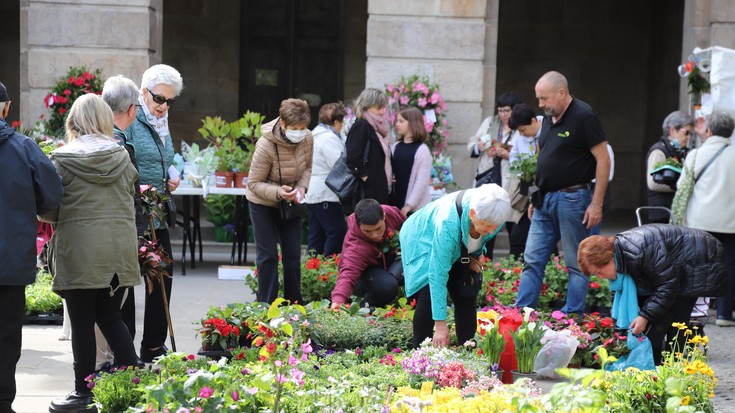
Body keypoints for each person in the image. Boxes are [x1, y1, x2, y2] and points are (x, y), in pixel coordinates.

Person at [42, 94, 141, 412]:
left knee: (82, 322)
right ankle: (133, 388)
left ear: (73, 122)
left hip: (80, 252)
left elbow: (50, 211)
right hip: (117, 251)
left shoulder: (61, 160)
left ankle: (82, 393)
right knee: (111, 318)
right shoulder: (122, 156)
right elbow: (131, 198)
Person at [515, 71, 611, 316]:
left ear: (561, 92)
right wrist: (536, 194)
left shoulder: (584, 115)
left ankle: (571, 317)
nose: (541, 105)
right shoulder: (549, 117)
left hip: (574, 198)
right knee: (532, 259)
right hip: (544, 199)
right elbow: (543, 156)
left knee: (576, 263)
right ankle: (521, 313)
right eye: (539, 99)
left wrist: (596, 203)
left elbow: (603, 159)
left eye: (544, 98)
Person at [578, 224, 726, 364]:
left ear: (608, 259)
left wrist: (645, 316)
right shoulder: (621, 259)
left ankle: (674, 371)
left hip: (697, 258)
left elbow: (667, 286)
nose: (601, 278)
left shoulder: (637, 253)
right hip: (675, 265)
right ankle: (653, 369)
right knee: (658, 320)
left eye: (598, 272)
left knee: (678, 320)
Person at [0, 81, 62, 413]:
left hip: (10, 259)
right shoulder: (25, 148)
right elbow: (52, 198)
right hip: (10, 260)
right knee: (7, 336)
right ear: (7, 108)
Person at [401, 184, 512, 347]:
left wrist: (475, 255)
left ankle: (469, 349)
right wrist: (440, 326)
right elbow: (437, 276)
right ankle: (421, 354)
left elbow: (480, 238)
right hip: (421, 236)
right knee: (428, 292)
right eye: (487, 226)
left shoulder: (494, 214)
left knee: (465, 288)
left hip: (455, 238)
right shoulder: (448, 223)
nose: (491, 231)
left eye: (495, 227)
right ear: (473, 214)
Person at [125, 64, 183, 362]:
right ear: (144, 92)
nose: (164, 106)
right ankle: (123, 349)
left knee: (162, 276)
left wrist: (171, 171)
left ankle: (152, 345)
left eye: (170, 101)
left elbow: (166, 154)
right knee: (128, 280)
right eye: (159, 99)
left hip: (156, 211)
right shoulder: (131, 117)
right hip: (134, 211)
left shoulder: (162, 120)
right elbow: (126, 154)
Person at [98, 75, 146, 370]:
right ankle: (114, 364)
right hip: (114, 237)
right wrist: (137, 236)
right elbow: (125, 196)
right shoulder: (117, 144)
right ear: (131, 109)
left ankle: (112, 363)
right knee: (111, 308)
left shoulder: (99, 138)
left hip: (95, 237)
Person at [246, 98, 313, 304]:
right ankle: (266, 305)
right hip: (263, 202)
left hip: (291, 200)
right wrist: (278, 192)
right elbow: (253, 183)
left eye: (303, 127)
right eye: (295, 128)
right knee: (268, 257)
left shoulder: (308, 138)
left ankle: (294, 304)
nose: (300, 132)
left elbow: (308, 167)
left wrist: (301, 188)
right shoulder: (266, 145)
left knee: (293, 254)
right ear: (282, 124)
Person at [677, 111, 735, 326]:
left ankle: (692, 311)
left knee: (698, 265)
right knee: (728, 266)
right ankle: (724, 314)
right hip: (730, 222)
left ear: (709, 131)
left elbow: (682, 187)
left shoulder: (695, 155)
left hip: (699, 221)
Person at [466, 92, 522, 258]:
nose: (503, 115)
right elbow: (472, 145)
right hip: (488, 180)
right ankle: (483, 264)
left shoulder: (521, 127)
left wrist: (507, 154)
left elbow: (527, 157)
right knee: (486, 230)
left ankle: (513, 269)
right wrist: (479, 147)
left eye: (506, 111)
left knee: (514, 231)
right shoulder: (490, 123)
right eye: (500, 111)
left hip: (510, 185)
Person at [330, 199, 405, 308]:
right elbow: (348, 274)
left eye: (379, 228)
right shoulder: (356, 246)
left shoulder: (390, 213)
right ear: (359, 224)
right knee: (387, 286)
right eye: (368, 231)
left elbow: (410, 228)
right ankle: (365, 308)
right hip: (364, 275)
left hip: (387, 263)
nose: (375, 235)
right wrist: (337, 301)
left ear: (384, 216)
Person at [304, 102, 347, 256]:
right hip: (326, 193)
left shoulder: (315, 135)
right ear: (336, 122)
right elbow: (339, 164)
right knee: (337, 232)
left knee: (317, 235)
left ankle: (313, 268)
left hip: (313, 192)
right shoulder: (328, 138)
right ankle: (329, 268)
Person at [344, 88, 391, 208]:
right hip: (369, 191)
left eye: (383, 107)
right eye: (378, 108)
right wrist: (366, 177)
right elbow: (353, 157)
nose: (382, 112)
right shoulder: (362, 126)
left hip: (378, 186)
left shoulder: (377, 128)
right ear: (366, 106)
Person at [506, 103, 541, 258]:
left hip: (543, 193)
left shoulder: (549, 129)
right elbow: (514, 157)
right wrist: (522, 171)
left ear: (533, 121)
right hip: (525, 194)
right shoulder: (521, 138)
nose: (522, 134)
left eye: (523, 130)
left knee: (544, 238)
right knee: (517, 238)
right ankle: (513, 273)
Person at [646, 111, 692, 223]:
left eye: (690, 134)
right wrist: (681, 186)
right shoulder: (659, 151)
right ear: (672, 130)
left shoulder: (682, 151)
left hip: (675, 213)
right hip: (662, 213)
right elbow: (653, 183)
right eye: (686, 133)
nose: (688, 137)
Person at [391, 107, 432, 216]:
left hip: (415, 209)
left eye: (401, 121)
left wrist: (408, 206)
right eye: (397, 121)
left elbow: (421, 182)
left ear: (412, 123)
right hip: (396, 203)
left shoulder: (422, 150)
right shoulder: (395, 146)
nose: (397, 124)